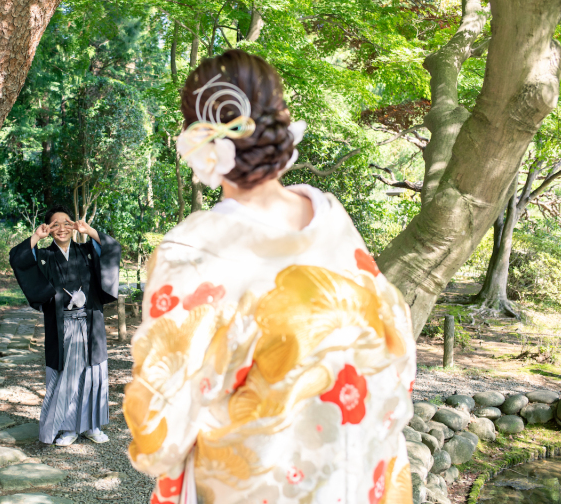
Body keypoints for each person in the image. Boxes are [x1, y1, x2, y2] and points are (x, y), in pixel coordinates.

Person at [123, 50, 416, 503]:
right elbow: (394, 350)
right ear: (281, 119)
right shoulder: (331, 220)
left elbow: (162, 422)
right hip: (359, 476)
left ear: (198, 140)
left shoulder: (194, 251)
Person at [9, 205, 121, 446]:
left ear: (73, 226)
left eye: (66, 223)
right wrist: (36, 237)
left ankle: (92, 426)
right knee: (67, 377)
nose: (62, 228)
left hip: (91, 324)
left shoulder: (86, 251)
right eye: (55, 224)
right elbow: (18, 258)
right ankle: (68, 427)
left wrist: (89, 231)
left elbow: (112, 249)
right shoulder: (46, 256)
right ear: (49, 229)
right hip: (63, 328)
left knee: (92, 374)